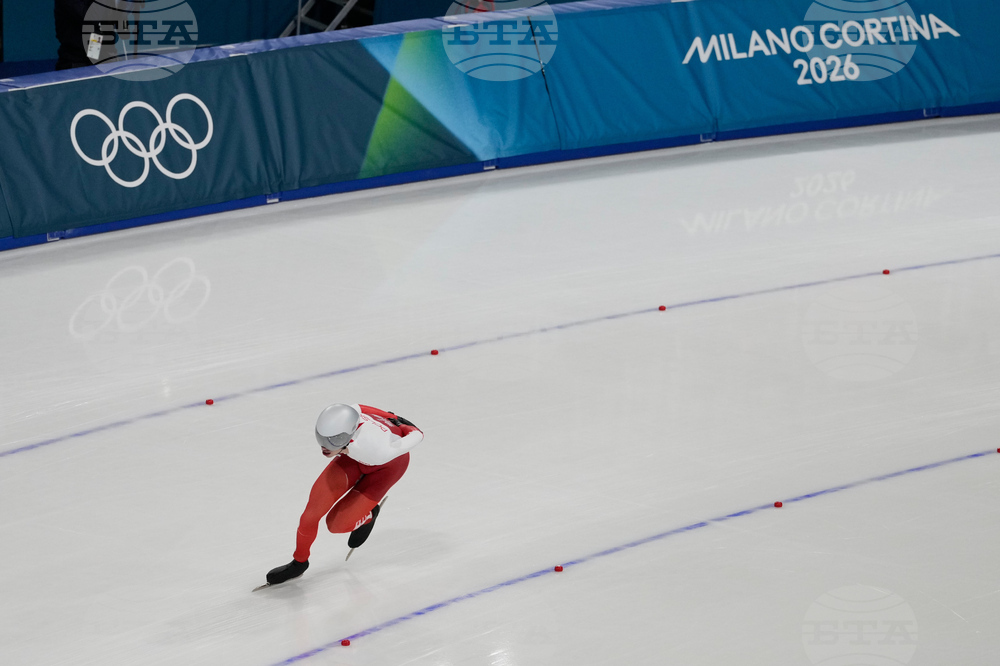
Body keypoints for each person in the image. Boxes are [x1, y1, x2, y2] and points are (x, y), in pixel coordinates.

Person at [264, 403, 423, 586]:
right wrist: (387, 415)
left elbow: (418, 435)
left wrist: (405, 427)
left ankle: (369, 516)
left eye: (333, 440)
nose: (325, 447)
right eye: (322, 438)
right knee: (310, 515)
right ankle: (299, 563)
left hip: (388, 466)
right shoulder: (344, 425)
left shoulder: (378, 450)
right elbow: (356, 406)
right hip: (352, 456)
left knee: (336, 525)